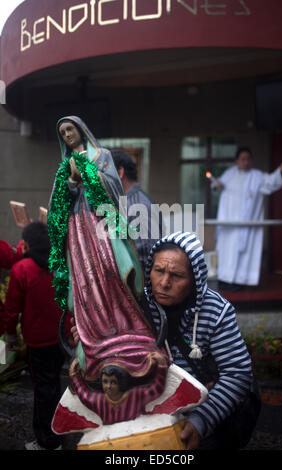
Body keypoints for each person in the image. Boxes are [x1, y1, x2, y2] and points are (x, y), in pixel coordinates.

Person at [70, 231, 254, 450]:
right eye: (159, 271)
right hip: (146, 418)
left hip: (204, 416)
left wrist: (202, 421)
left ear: (195, 278)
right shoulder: (134, 305)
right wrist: (92, 340)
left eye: (176, 276)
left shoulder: (216, 312)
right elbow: (116, 357)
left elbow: (237, 373)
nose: (164, 283)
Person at [48, 117, 169, 425]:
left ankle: (124, 326)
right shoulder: (65, 165)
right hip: (78, 230)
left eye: (70, 130)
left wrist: (87, 176)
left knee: (110, 275)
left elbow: (113, 189)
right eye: (62, 133)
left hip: (101, 224)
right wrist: (71, 182)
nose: (67, 135)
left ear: (81, 130)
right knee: (86, 280)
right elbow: (60, 203)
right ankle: (95, 332)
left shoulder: (101, 157)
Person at [3, 221, 65, 450]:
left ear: (28, 244)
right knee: (54, 385)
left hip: (37, 342)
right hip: (60, 339)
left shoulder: (22, 269)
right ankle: (58, 431)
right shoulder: (60, 265)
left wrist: (11, 337)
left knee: (42, 391)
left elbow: (11, 310)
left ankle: (48, 442)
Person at [212, 147, 282, 290]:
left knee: (242, 254)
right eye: (243, 159)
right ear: (237, 161)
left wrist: (281, 171)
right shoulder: (229, 174)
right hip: (228, 225)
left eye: (248, 159)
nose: (246, 162)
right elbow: (218, 185)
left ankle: (238, 282)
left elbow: (272, 181)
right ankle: (224, 280)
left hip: (246, 226)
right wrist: (216, 185)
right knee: (226, 252)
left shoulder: (257, 176)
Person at [111, 149, 164, 272]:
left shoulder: (138, 206)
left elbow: (147, 260)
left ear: (120, 172)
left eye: (105, 173)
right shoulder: (127, 203)